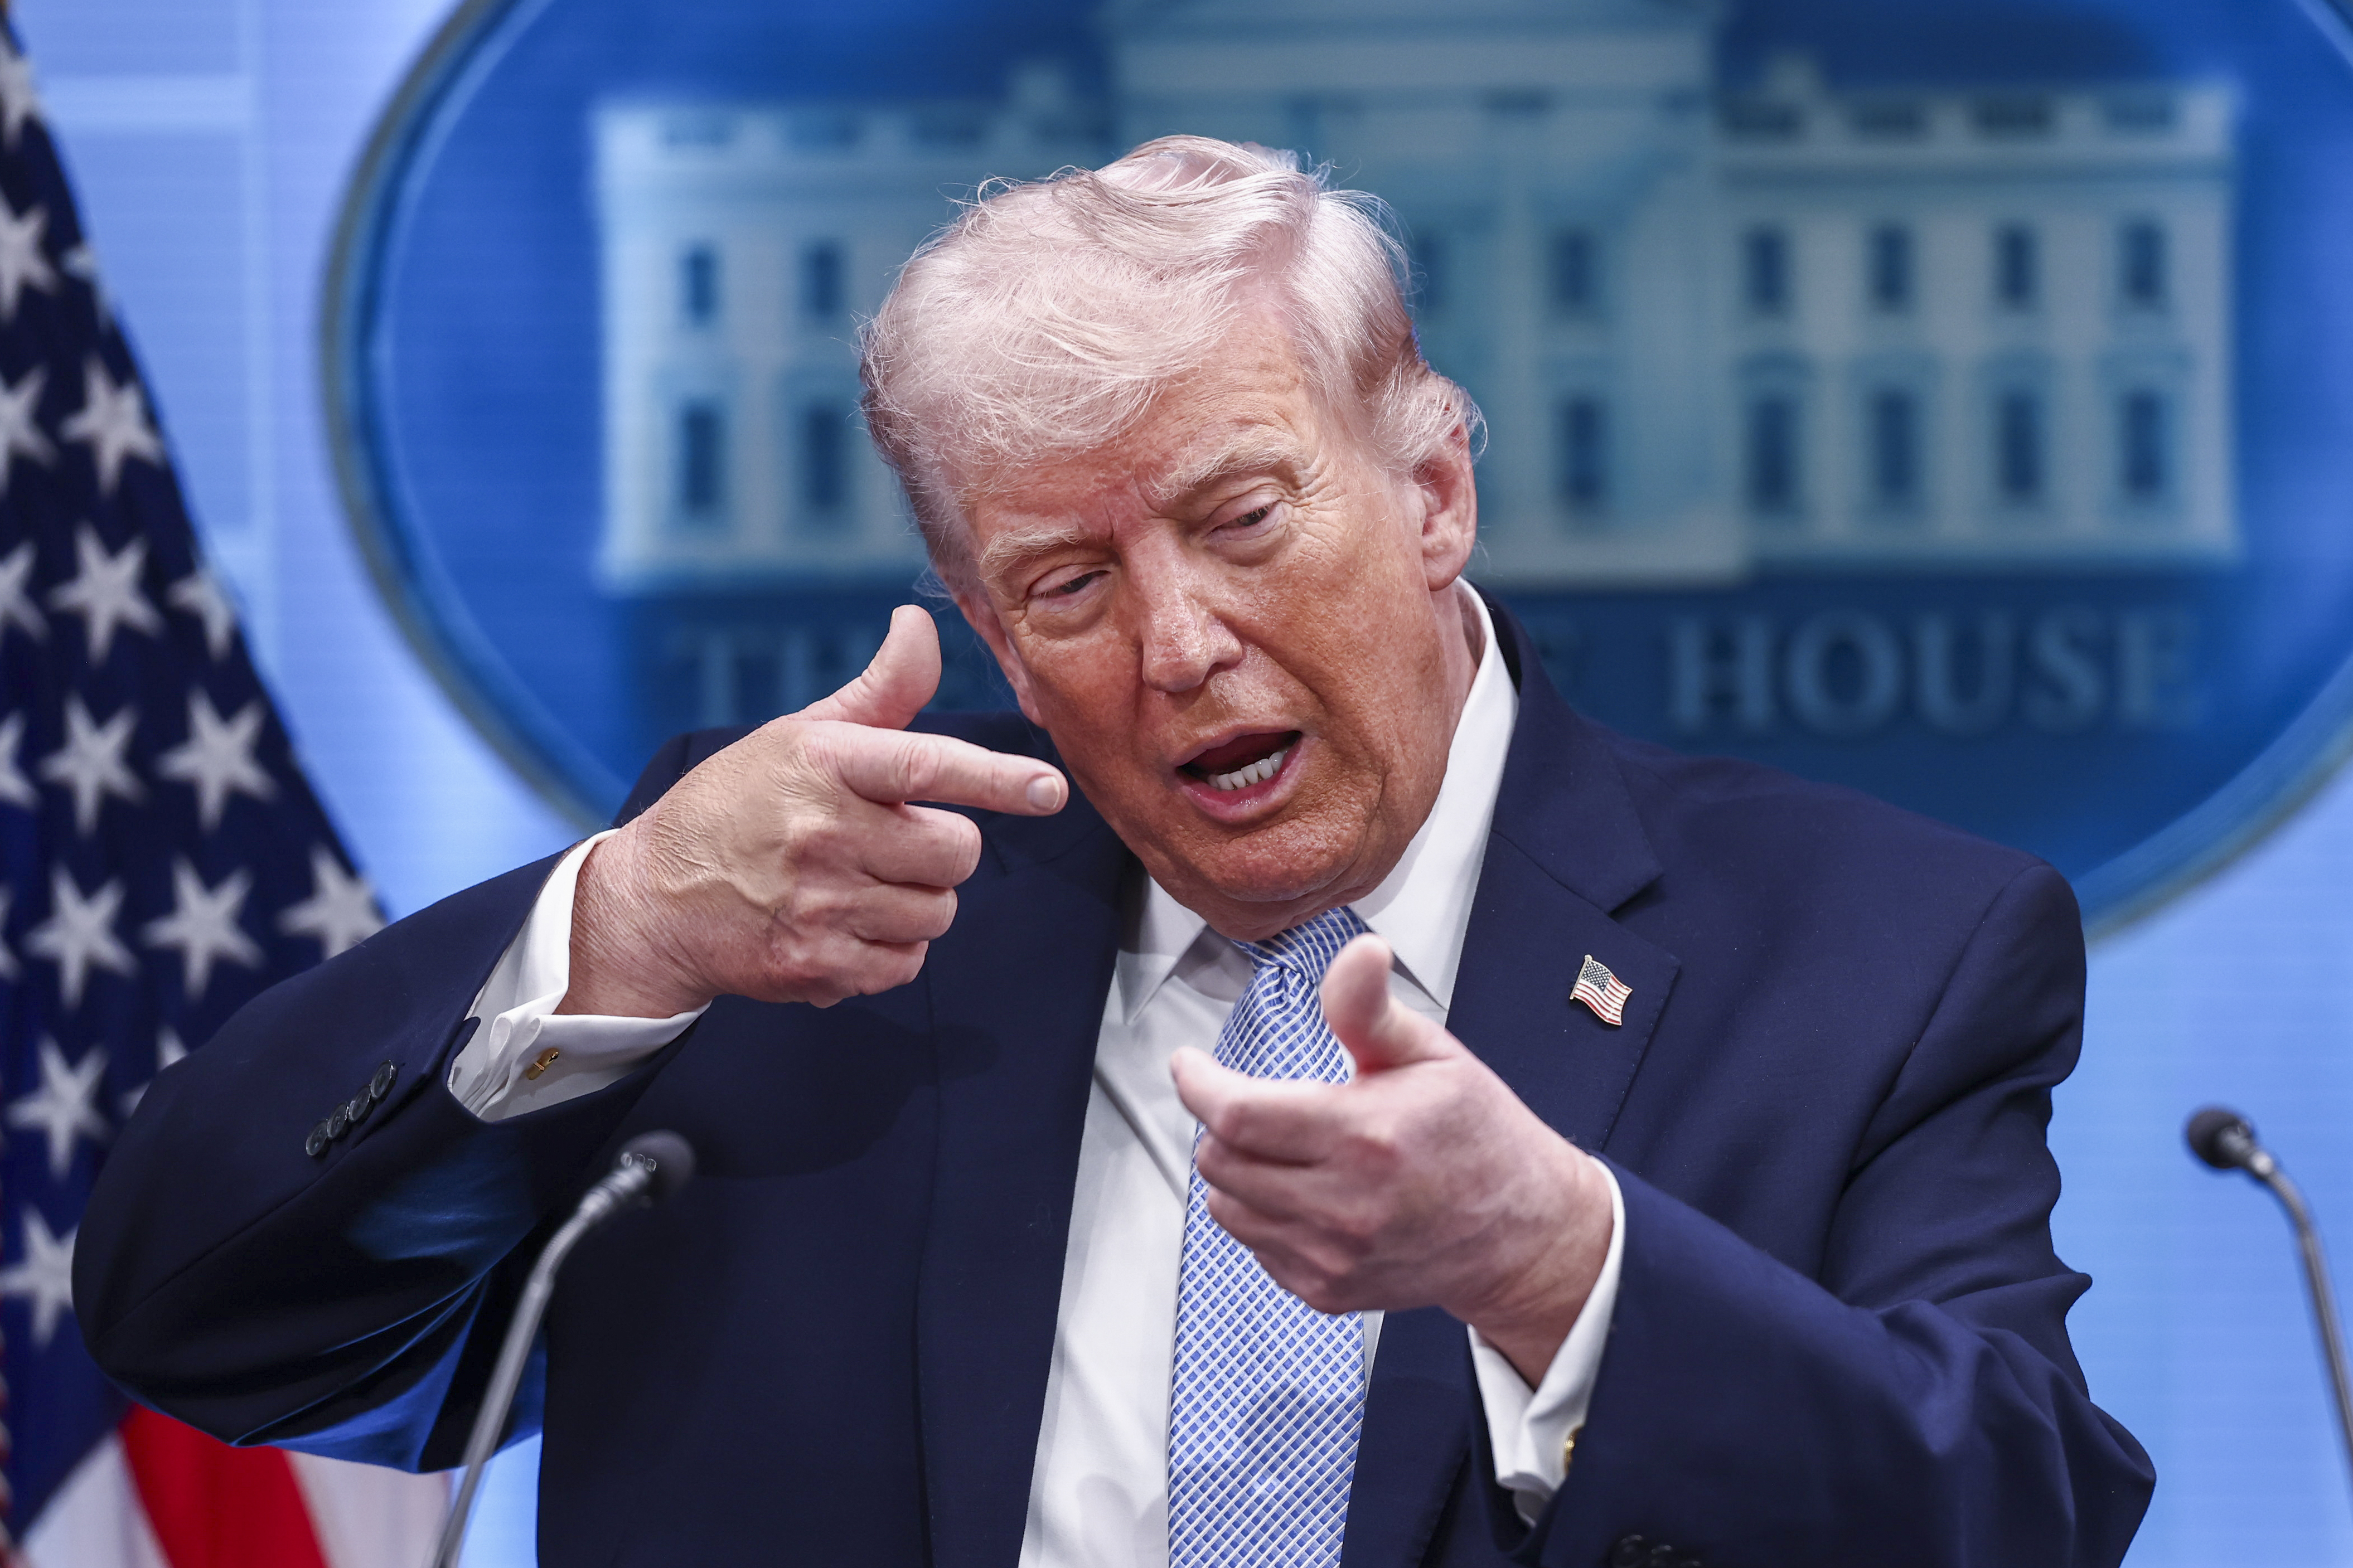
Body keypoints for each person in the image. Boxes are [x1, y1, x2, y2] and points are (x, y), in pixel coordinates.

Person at [77, 137, 2152, 1567]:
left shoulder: (1880, 954)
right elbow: (201, 1324)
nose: (1175, 646)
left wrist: (1555, 1269)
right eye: (1063, 583)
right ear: (983, 632)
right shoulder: (797, 915)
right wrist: (618, 923)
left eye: (1242, 522)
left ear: (1432, 489)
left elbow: (2010, 1519)